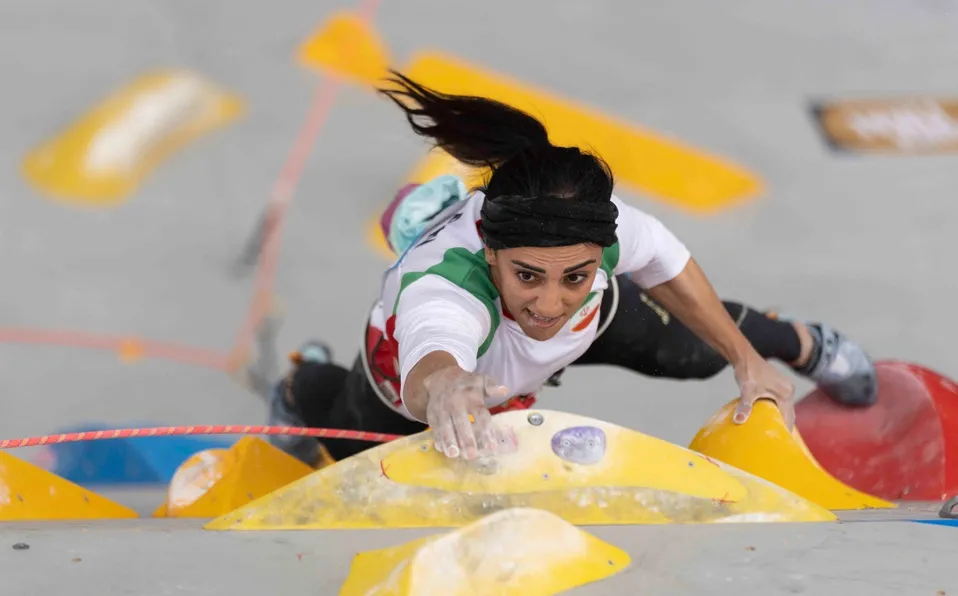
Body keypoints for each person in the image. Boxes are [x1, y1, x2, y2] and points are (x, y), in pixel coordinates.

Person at [264, 70, 878, 467]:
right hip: (410, 383)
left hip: (559, 336)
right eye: (528, 275)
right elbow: (433, 348)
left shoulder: (599, 231)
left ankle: (806, 344)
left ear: (598, 255)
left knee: (693, 350)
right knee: (350, 445)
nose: (551, 305)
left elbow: (666, 262)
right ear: (490, 251)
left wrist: (746, 361)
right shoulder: (444, 287)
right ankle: (301, 384)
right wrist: (445, 387)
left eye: (575, 277)